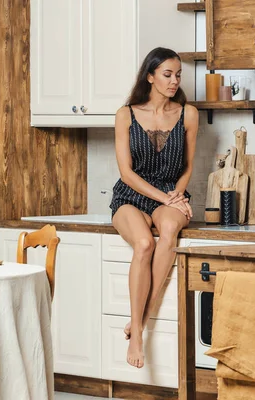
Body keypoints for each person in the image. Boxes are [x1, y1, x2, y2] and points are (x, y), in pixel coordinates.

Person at [110, 47, 198, 368]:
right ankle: (137, 336)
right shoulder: (125, 114)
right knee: (145, 243)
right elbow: (126, 173)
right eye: (167, 74)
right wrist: (167, 199)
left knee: (170, 228)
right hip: (131, 195)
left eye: (178, 75)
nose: (174, 81)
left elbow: (188, 166)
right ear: (150, 76)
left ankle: (140, 323)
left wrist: (175, 194)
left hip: (169, 193)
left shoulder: (188, 113)